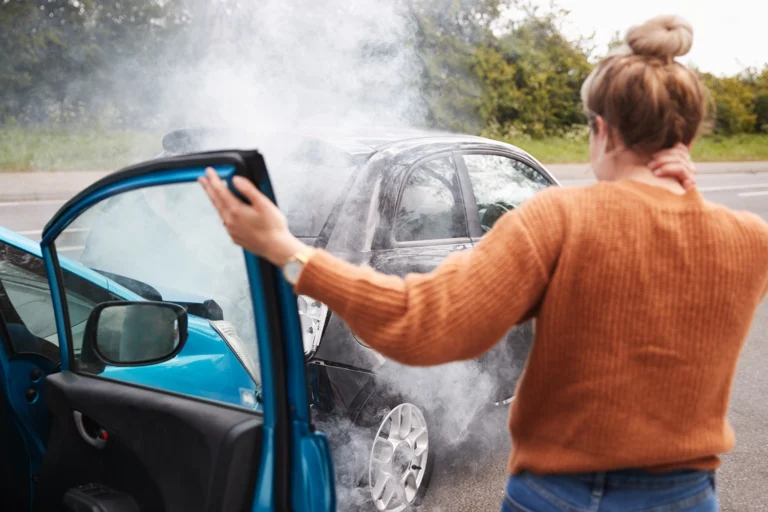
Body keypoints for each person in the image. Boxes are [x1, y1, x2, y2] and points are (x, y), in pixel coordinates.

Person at [200, 14, 768, 512]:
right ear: (689, 135)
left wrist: (287, 251)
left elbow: (423, 325)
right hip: (688, 498)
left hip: (560, 496)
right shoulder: (748, 240)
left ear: (601, 131)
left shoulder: (558, 219)